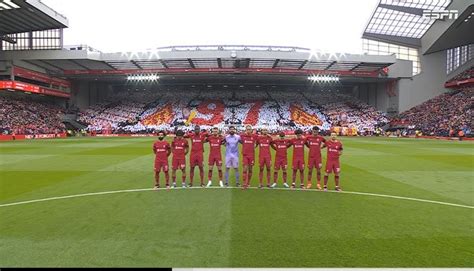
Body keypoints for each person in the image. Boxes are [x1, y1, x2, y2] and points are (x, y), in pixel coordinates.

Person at [240, 125, 258, 189]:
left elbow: (259, 140)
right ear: (245, 130)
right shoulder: (242, 136)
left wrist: (255, 145)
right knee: (245, 169)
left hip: (252, 155)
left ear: (251, 130)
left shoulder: (255, 136)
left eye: (249, 129)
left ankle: (248, 183)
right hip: (245, 155)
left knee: (250, 170)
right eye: (247, 129)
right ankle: (244, 184)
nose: (248, 130)